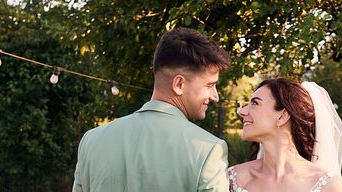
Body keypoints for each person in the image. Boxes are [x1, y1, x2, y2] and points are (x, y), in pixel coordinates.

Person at [72, 27, 231, 192]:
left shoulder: (91, 140)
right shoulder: (209, 150)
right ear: (179, 84)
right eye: (209, 85)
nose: (215, 96)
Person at [229, 78, 342, 192]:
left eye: (255, 103)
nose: (242, 111)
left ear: (282, 116)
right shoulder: (234, 179)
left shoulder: (327, 186)